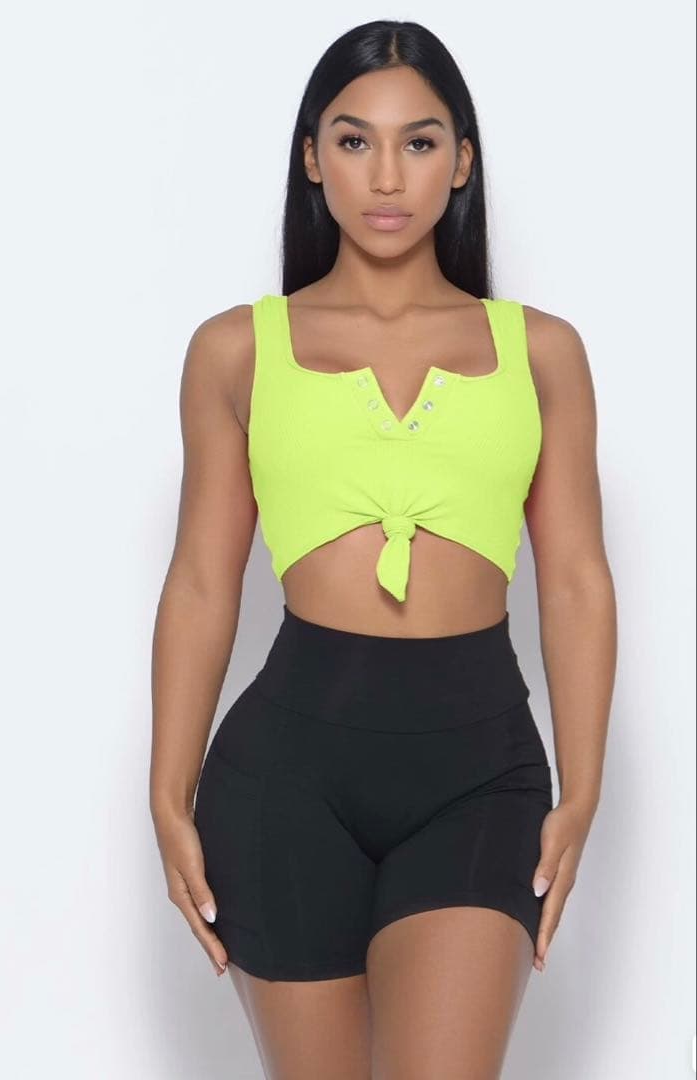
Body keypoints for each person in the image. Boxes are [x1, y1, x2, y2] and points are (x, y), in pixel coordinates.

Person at [150, 18, 617, 1079]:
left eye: (420, 141)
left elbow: (577, 582)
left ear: (462, 162)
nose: (387, 175)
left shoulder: (541, 352)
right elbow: (201, 583)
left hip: (480, 773)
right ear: (314, 160)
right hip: (284, 777)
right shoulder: (236, 349)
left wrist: (582, 790)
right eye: (354, 140)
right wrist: (166, 793)